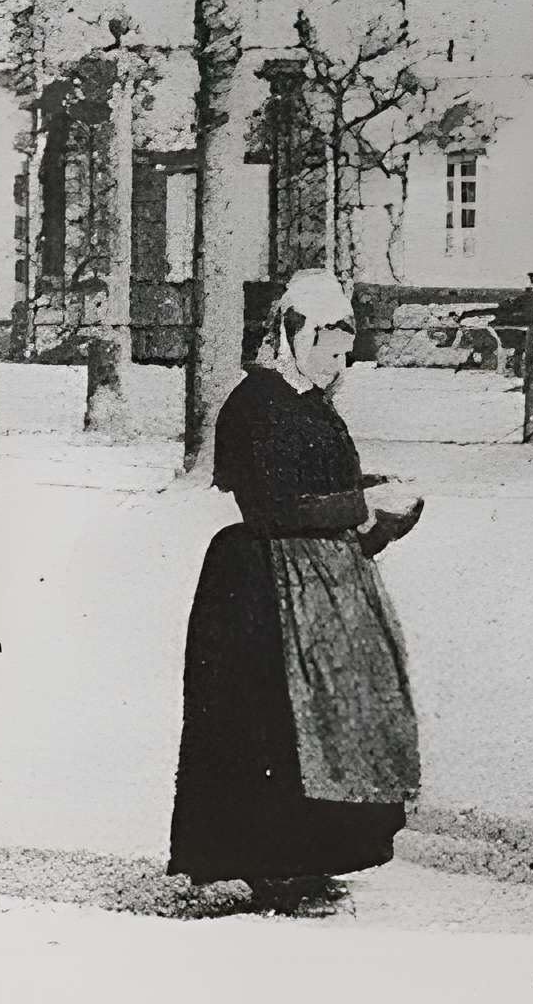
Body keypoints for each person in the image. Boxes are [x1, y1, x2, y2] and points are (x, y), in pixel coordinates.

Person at [169, 269, 425, 912]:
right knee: (275, 722)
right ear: (295, 336)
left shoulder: (312, 403)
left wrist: (381, 501)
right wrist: (361, 500)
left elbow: (325, 485)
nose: (338, 366)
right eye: (330, 351)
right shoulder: (256, 405)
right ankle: (271, 861)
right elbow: (274, 504)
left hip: (324, 582)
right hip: (263, 585)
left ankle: (315, 854)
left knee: (338, 712)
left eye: (345, 355)